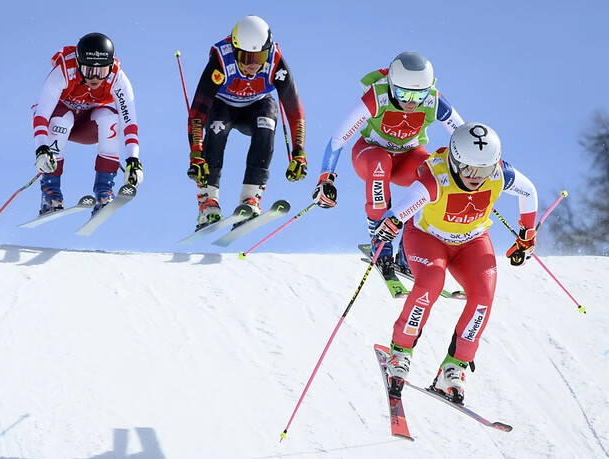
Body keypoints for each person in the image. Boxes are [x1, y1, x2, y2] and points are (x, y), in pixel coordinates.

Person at [371, 122, 538, 402]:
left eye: (483, 170)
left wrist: (527, 233)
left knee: (483, 296)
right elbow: (405, 206)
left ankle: (453, 368)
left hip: (471, 242)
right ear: (454, 160)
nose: (476, 177)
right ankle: (399, 353)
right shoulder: (436, 179)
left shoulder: (499, 174)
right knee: (430, 284)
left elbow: (529, 191)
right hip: (428, 239)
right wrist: (391, 222)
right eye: (469, 169)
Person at [312, 51, 464, 276]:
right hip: (370, 154)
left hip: (408, 158)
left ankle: (408, 254)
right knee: (380, 162)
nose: (410, 103)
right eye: (404, 94)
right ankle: (381, 248)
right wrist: (325, 178)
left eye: (418, 96)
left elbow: (463, 136)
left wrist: (479, 168)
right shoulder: (377, 96)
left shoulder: (434, 100)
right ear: (393, 86)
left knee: (434, 173)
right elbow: (339, 138)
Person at [186, 15, 307, 230]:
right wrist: (196, 154)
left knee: (266, 125)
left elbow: (294, 109)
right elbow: (198, 112)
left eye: (259, 57)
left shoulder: (276, 62)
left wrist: (299, 153)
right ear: (234, 50)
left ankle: (251, 198)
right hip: (222, 105)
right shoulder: (221, 60)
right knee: (217, 128)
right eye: (246, 57)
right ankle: (208, 202)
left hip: (257, 104)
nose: (252, 64)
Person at [31, 32, 143, 215]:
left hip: (87, 127)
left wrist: (133, 160)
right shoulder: (64, 71)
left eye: (102, 71)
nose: (96, 78)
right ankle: (51, 194)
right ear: (78, 64)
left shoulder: (117, 78)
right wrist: (42, 148)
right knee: (63, 119)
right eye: (89, 70)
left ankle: (104, 192)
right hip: (56, 121)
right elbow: (42, 114)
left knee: (111, 118)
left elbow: (129, 121)